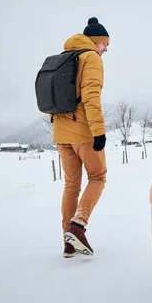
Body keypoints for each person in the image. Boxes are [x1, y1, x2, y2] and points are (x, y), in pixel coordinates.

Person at [52, 17, 109, 258]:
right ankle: (78, 225)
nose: (106, 49)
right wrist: (99, 132)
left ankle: (68, 241)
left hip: (61, 131)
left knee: (71, 185)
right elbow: (91, 98)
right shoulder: (90, 58)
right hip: (84, 131)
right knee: (98, 176)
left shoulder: (65, 57)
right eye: (104, 44)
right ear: (95, 41)